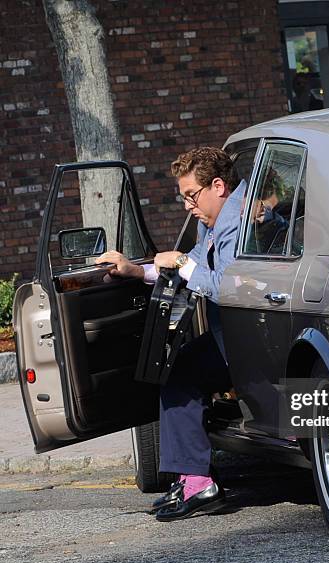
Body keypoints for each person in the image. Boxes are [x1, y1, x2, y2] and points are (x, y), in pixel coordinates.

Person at [95, 147, 245, 521]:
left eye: (191, 196)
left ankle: (197, 481)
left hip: (249, 344)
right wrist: (136, 272)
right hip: (238, 339)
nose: (187, 206)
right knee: (178, 368)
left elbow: (226, 286)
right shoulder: (214, 221)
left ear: (218, 185)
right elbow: (192, 263)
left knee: (181, 372)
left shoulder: (237, 220)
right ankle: (192, 477)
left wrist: (179, 262)